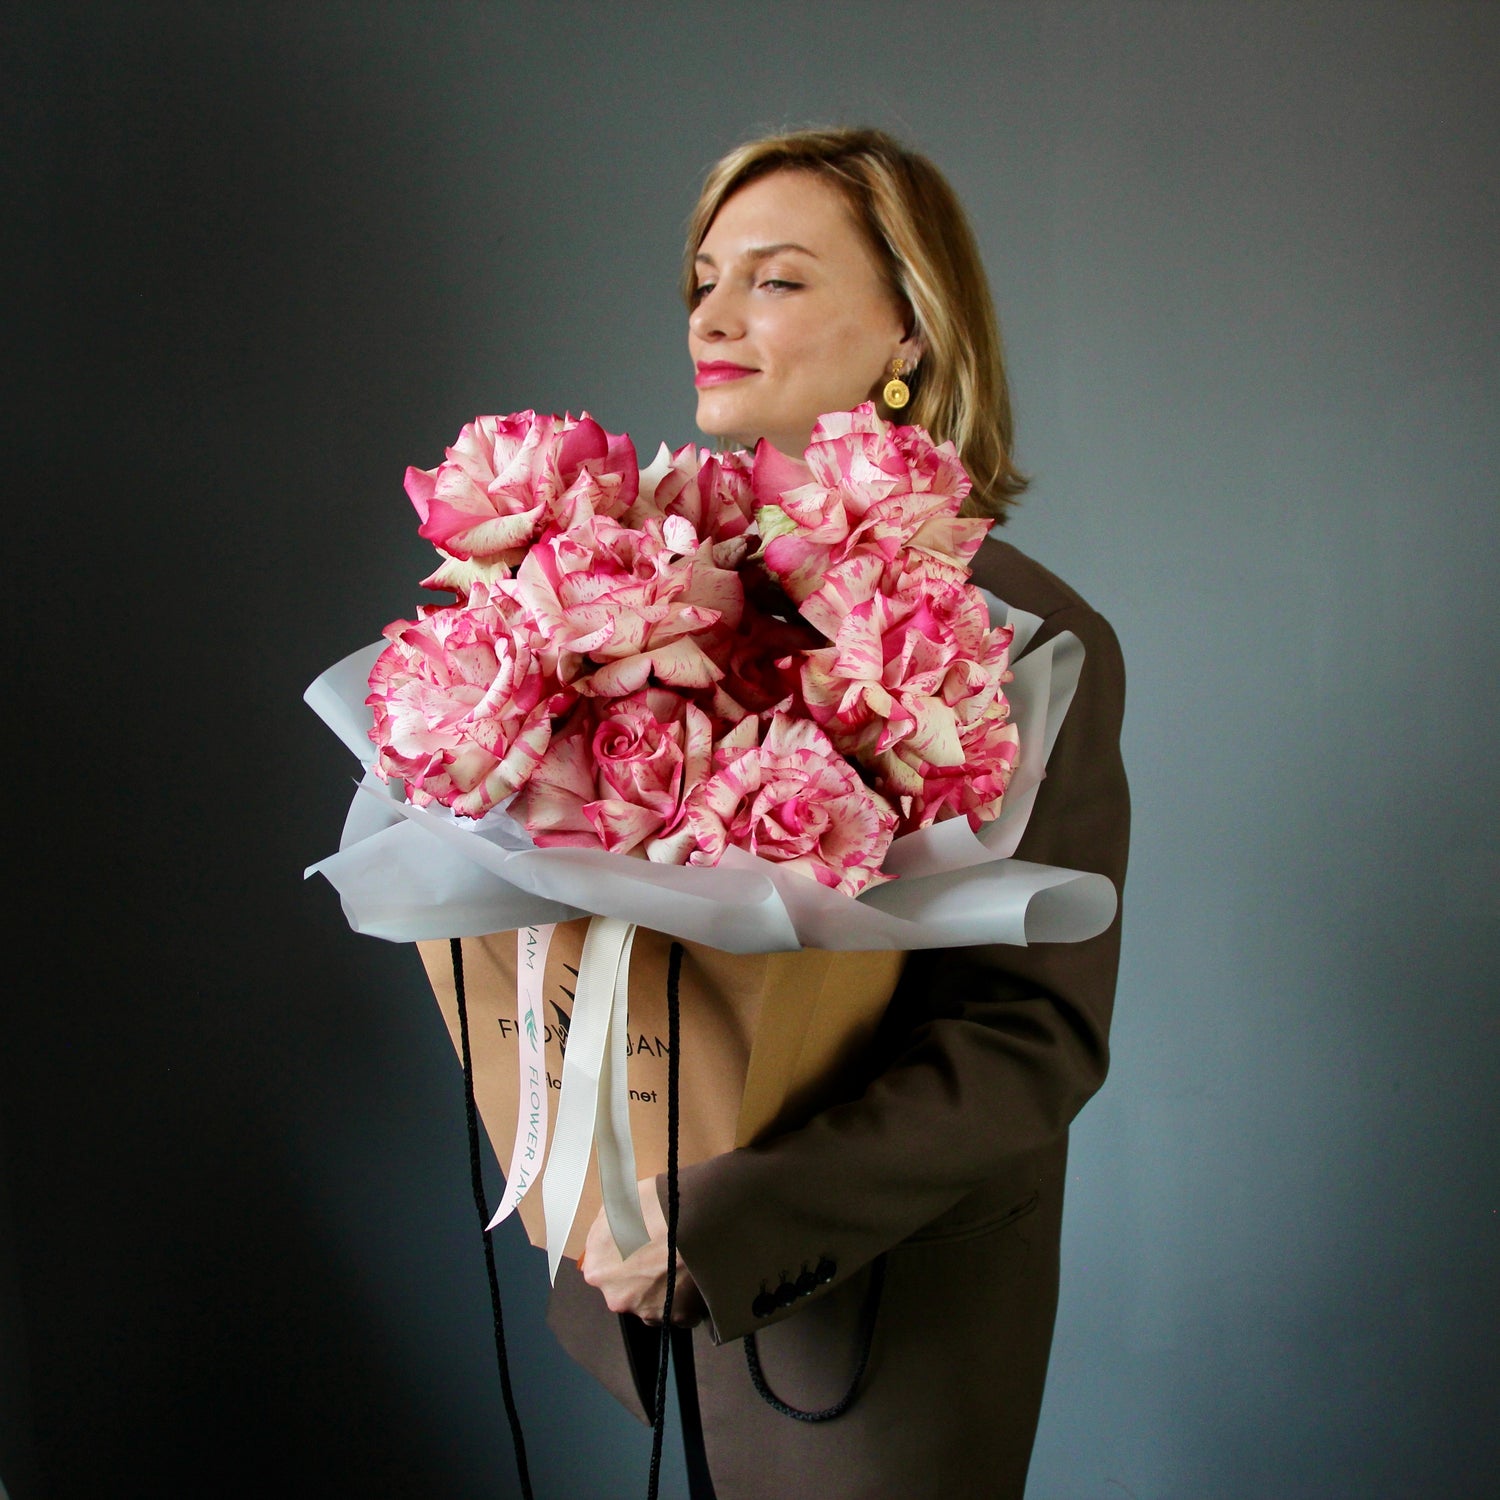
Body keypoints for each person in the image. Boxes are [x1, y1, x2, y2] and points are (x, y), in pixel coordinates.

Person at [551, 127, 1130, 1499]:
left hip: (886, 1317)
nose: (712, 311)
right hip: (646, 1283)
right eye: (704, 277)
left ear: (910, 329)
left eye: (777, 278)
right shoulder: (619, 601)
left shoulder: (1024, 640)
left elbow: (1033, 1036)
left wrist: (733, 1219)